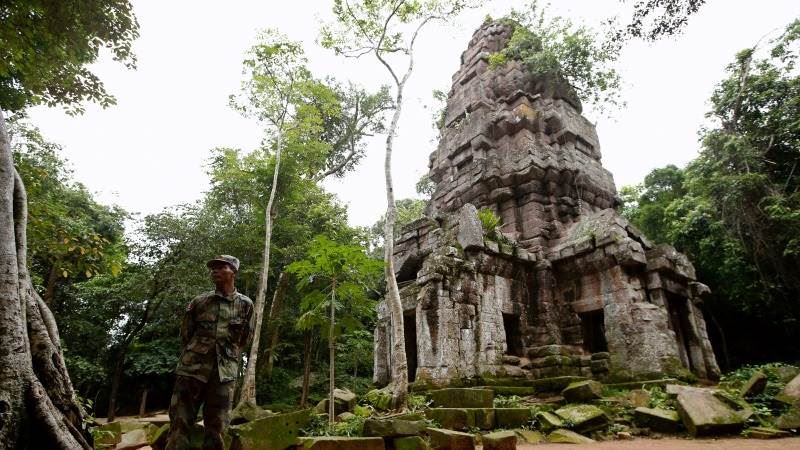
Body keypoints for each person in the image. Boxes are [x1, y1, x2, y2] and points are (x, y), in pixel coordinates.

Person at [165, 255, 254, 450]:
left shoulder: (245, 304)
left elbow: (245, 339)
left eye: (221, 267)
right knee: (179, 422)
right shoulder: (199, 302)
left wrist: (227, 356)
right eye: (213, 267)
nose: (215, 270)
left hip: (224, 374)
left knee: (218, 427)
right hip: (191, 370)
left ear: (233, 272)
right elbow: (186, 334)